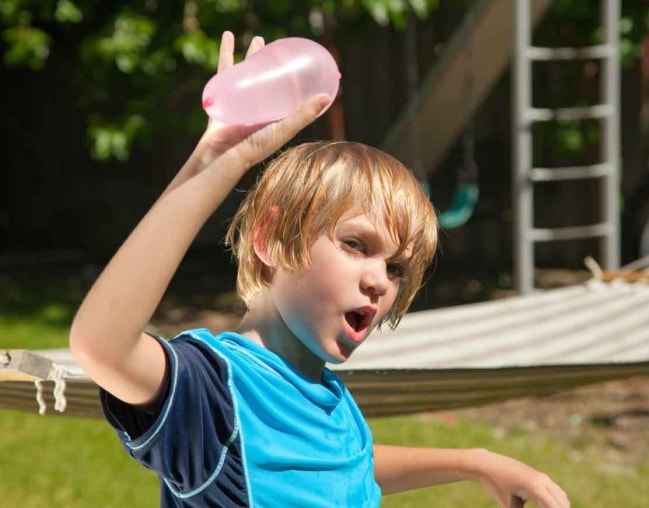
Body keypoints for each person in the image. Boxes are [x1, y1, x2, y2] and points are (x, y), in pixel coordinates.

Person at [70, 31, 570, 508]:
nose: (379, 280)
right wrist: (220, 160)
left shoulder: (327, 393)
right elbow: (102, 345)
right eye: (355, 244)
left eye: (396, 267)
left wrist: (474, 462)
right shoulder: (213, 396)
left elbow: (345, 467)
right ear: (269, 238)